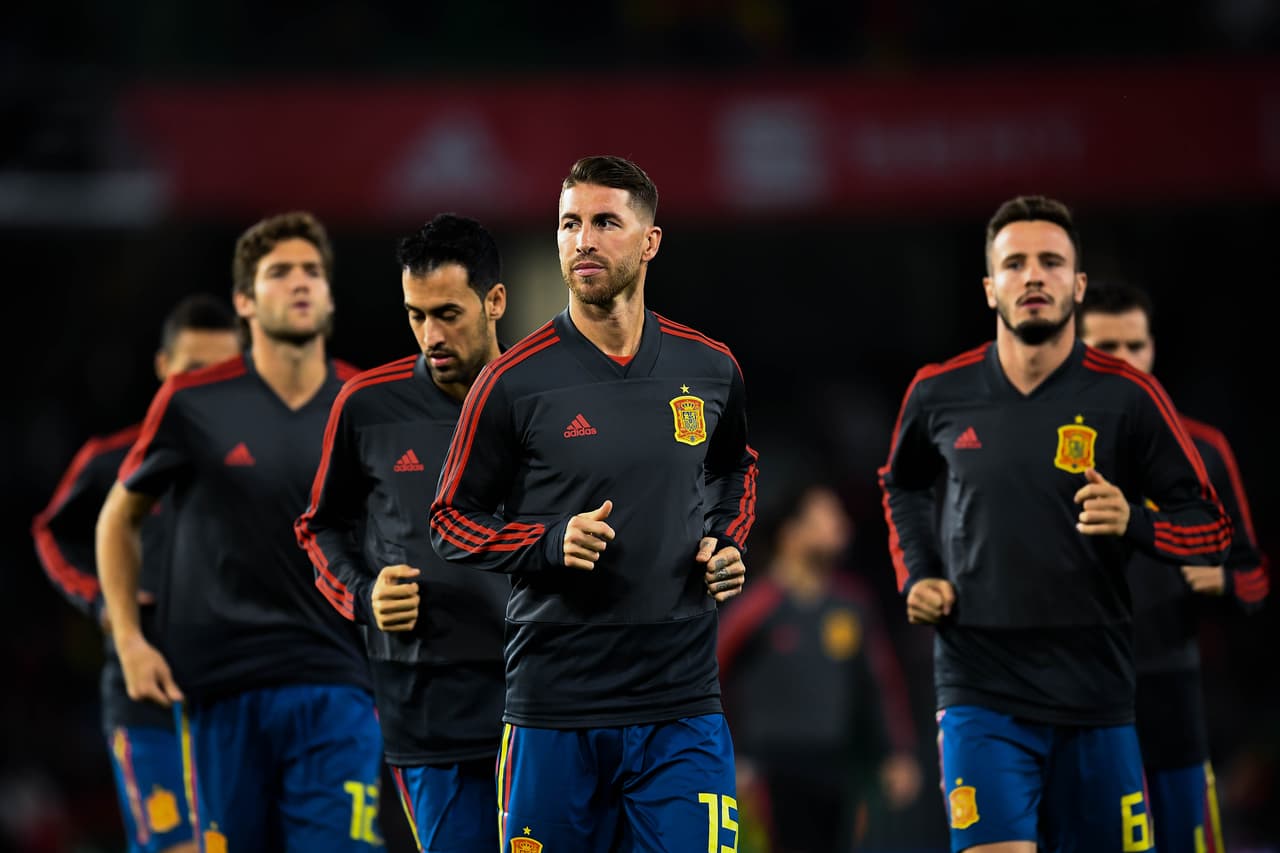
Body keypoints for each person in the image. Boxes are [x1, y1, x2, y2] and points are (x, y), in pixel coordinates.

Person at [878, 194, 1232, 853]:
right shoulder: (937, 391)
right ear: (990, 287)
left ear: (1078, 284)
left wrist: (1136, 521)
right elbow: (901, 483)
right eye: (1014, 263)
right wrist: (918, 574)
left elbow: (1211, 526)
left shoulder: (1128, 394)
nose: (1033, 275)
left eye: (1051, 261)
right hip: (979, 686)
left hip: (1095, 691)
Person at [428, 154, 758, 852]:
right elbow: (450, 520)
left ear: (650, 241)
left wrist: (727, 541)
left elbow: (736, 467)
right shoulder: (512, 381)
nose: (583, 240)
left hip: (681, 705)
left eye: (605, 222)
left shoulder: (710, 367)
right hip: (555, 707)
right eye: (569, 223)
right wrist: (547, 543)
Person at [96, 211, 384, 851]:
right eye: (279, 272)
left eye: (312, 271)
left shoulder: (365, 404)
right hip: (218, 692)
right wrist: (128, 640)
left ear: (331, 296)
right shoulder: (192, 402)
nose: (300, 283)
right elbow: (119, 517)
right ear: (245, 301)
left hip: (335, 683)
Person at [294, 213, 513, 852]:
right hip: (424, 702)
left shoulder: (545, 399)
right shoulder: (367, 406)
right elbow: (320, 528)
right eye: (416, 315)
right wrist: (364, 597)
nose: (430, 335)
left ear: (494, 300)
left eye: (447, 313)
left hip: (544, 695)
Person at [31, 293, 241, 853]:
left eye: (223, 371)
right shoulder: (112, 460)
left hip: (244, 694)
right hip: (145, 699)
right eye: (193, 370)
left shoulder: (264, 464)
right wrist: (105, 603)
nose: (207, 385)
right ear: (163, 369)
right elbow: (52, 532)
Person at [1078, 278, 1270, 853]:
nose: (1126, 361)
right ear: (1080, 350)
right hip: (1082, 689)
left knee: (1189, 838)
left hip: (1173, 685)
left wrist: (1224, 580)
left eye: (1135, 346)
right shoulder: (1058, 447)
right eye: (1107, 348)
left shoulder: (1203, 448)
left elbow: (1256, 575)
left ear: (1153, 347)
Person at [717, 481, 922, 853]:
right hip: (769, 770)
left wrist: (897, 753)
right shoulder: (757, 607)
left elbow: (880, 683)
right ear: (791, 533)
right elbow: (711, 674)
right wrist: (727, 756)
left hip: (836, 767)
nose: (840, 526)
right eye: (826, 516)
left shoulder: (852, 604)